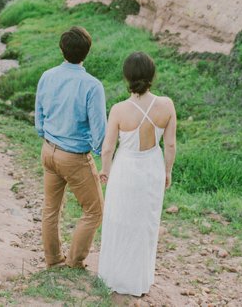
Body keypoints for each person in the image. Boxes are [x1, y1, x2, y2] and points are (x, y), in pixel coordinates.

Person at [97, 51, 177, 297]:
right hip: (151, 166)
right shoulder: (167, 105)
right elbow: (171, 145)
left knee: (119, 219)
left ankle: (115, 276)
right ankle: (140, 280)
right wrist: (167, 171)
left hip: (126, 167)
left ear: (126, 77)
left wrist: (105, 170)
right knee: (146, 223)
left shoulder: (119, 109)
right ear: (152, 75)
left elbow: (108, 147)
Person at [35, 26, 107, 269]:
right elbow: (99, 130)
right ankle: (75, 262)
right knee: (95, 211)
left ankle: (53, 260)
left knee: (50, 209)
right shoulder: (92, 85)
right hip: (74, 156)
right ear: (87, 52)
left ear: (61, 49)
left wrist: (45, 135)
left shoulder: (47, 76)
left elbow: (40, 115)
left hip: (48, 150)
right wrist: (101, 155)